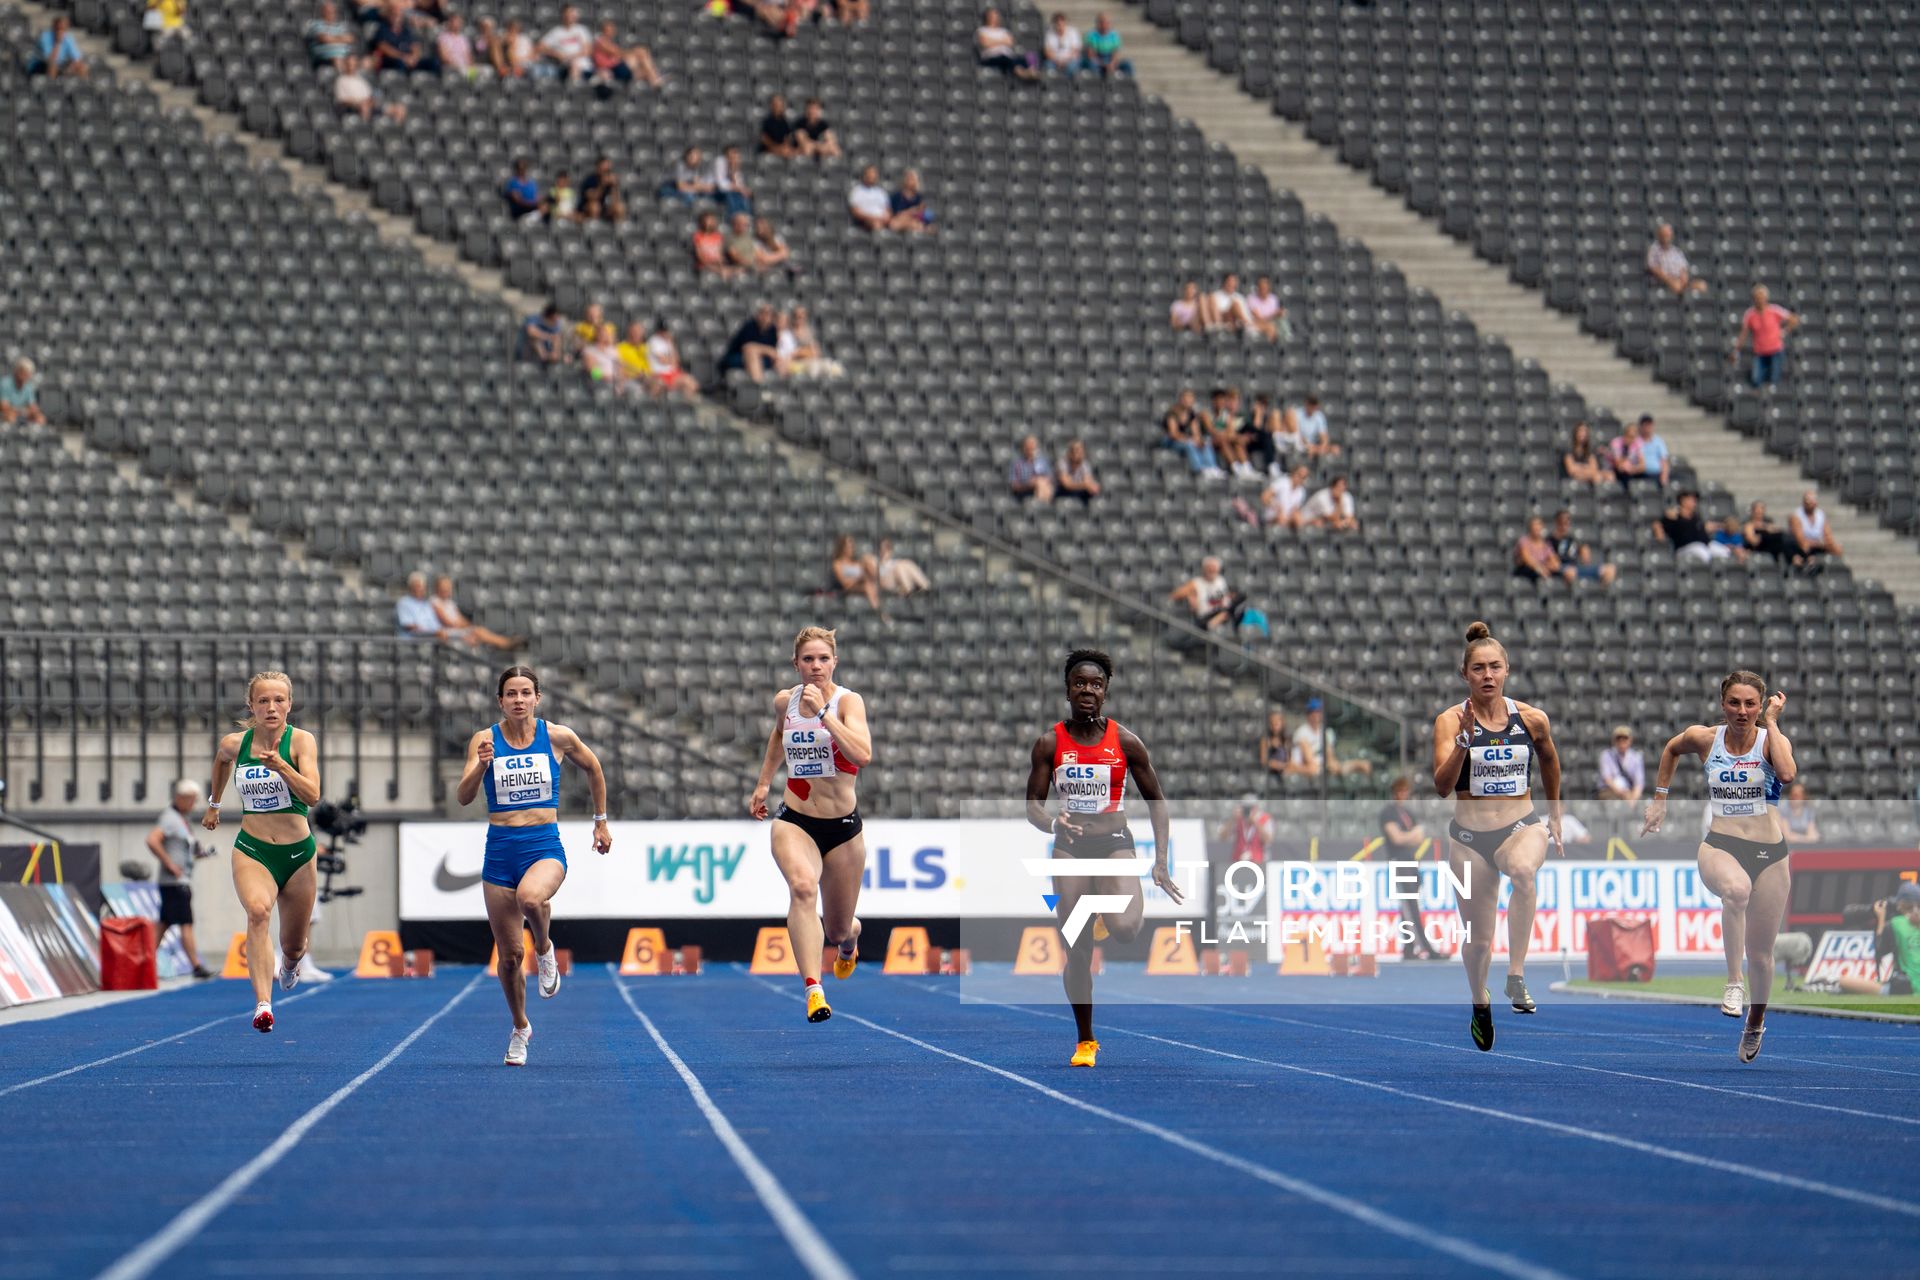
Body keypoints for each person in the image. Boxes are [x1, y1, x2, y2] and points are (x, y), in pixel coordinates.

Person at [1025, 648, 1182, 1066]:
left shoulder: (1126, 742)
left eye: (1096, 684)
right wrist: (1053, 823)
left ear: (1106, 692)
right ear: (1068, 690)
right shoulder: (1049, 743)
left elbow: (1158, 803)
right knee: (1075, 949)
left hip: (1113, 842)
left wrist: (1161, 861)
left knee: (1127, 929)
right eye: (1080, 683)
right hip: (1070, 848)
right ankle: (1086, 1040)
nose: (1088, 690)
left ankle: (1102, 916)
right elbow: (1033, 809)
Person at [456, 666, 612, 1065]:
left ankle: (544, 947)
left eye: (526, 692)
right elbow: (463, 796)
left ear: (537, 698)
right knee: (508, 957)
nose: (519, 700)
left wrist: (600, 821)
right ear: (500, 701)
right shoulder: (484, 740)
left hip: (543, 845)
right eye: (511, 694)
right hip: (500, 851)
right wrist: (481, 766)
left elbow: (594, 767)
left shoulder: (557, 736)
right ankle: (521, 1027)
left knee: (531, 897)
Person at [1643, 672, 1796, 1062]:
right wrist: (1660, 798)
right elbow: (1671, 750)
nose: (1742, 712)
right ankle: (1733, 983)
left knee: (1762, 954)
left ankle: (1756, 1022)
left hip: (1771, 854)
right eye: (1734, 703)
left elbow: (1788, 773)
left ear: (1761, 706)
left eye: (1750, 704)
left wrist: (1773, 723)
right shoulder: (1704, 738)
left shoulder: (1770, 740)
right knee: (1735, 891)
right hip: (1721, 845)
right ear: (1722, 703)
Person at [1431, 622, 1565, 1048]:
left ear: (1507, 670)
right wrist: (1464, 743)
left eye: (1495, 667)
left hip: (1519, 826)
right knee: (1479, 941)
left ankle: (1517, 974)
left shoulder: (1531, 718)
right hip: (1469, 840)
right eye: (1478, 669)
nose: (1487, 675)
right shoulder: (1449, 720)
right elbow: (1441, 784)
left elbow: (1549, 760)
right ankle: (1479, 1000)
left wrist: (1555, 812)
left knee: (1524, 872)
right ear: (1465, 674)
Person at [748, 628, 875, 1024]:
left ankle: (849, 941)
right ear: (796, 663)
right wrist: (764, 782)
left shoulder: (848, 702)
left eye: (823, 659)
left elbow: (863, 753)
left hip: (843, 829)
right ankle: (813, 990)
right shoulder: (784, 701)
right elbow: (778, 735)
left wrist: (823, 713)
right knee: (802, 888)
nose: (816, 666)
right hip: (795, 819)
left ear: (834, 662)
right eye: (808, 659)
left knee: (837, 929)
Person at [203, 672, 323, 1032]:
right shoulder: (234, 743)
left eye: (279, 701)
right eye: (263, 701)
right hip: (253, 849)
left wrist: (282, 767)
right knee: (257, 912)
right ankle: (262, 1004)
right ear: (251, 705)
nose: (271, 708)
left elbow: (313, 796)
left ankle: (288, 966)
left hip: (298, 855)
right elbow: (221, 762)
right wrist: (214, 804)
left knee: (294, 944)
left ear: (289, 703)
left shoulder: (301, 741)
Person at [146, 780, 213, 979]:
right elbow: (152, 839)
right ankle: (195, 965)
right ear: (181, 798)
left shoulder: (182, 819)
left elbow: (183, 848)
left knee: (164, 923)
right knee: (186, 922)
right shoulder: (170, 818)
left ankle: (145, 962)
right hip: (175, 882)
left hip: (177, 881)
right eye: (191, 800)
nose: (193, 805)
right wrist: (169, 864)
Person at [1378, 776, 1440, 959]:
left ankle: (1409, 947)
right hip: (1399, 861)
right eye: (1402, 791)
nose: (1404, 794)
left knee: (1410, 906)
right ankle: (1425, 947)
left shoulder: (1407, 813)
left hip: (1410, 860)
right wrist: (1411, 834)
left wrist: (1409, 836)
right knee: (1410, 906)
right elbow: (1397, 838)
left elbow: (1417, 838)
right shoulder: (1388, 813)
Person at [1834, 885, 1920, 996]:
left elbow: (1880, 950)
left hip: (1906, 987)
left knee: (1844, 981)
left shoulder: (1896, 924)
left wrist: (1881, 919)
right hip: (1907, 984)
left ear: (1900, 905)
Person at [1735, 284, 1800, 389]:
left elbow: (1794, 319)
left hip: (1775, 351)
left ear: (1766, 298)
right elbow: (1743, 334)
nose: (1759, 300)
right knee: (1756, 379)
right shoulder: (1750, 314)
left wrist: (1784, 331)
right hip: (1760, 352)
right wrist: (1736, 351)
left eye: (1761, 297)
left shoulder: (1774, 310)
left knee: (1773, 381)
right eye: (1757, 297)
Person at [432, 575, 519, 650]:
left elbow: (460, 619)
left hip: (457, 630)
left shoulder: (450, 603)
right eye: (444, 587)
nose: (447, 590)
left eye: (448, 587)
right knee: (478, 631)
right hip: (447, 633)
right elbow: (448, 622)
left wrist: (468, 627)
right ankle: (505, 644)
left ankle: (503, 643)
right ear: (438, 588)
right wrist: (466, 628)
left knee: (478, 630)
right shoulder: (435, 602)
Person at [1654, 490, 1741, 564]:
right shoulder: (1674, 516)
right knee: (1703, 553)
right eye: (1692, 499)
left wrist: (1722, 526)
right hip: (1684, 548)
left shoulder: (1695, 516)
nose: (1694, 502)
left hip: (1704, 544)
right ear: (1683, 500)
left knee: (1725, 552)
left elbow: (1705, 526)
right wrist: (1660, 536)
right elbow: (1658, 524)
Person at [1292, 697, 1373, 777]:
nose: (1317, 714)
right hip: (1306, 768)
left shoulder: (1326, 731)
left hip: (1323, 768)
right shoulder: (1302, 732)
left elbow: (1330, 755)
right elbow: (1309, 760)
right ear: (1308, 714)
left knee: (1364, 765)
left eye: (1319, 711)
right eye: (1314, 711)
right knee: (1314, 769)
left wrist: (1332, 765)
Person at [1169, 556, 1243, 631]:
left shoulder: (1221, 580)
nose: (1212, 570)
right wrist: (1189, 596)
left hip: (1223, 612)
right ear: (1204, 569)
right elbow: (1174, 595)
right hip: (1206, 616)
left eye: (1214, 568)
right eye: (1209, 568)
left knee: (1242, 604)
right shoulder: (1196, 583)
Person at [1162, 387, 1223, 478]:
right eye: (1186, 398)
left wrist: (1198, 440)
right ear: (1181, 399)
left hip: (1187, 439)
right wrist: (1189, 439)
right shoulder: (1172, 413)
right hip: (1172, 441)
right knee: (1190, 445)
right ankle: (1199, 469)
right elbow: (1173, 433)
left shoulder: (1191, 414)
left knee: (1205, 443)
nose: (1188, 401)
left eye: (1191, 399)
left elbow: (1196, 431)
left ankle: (1211, 467)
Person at [1549, 509, 1616, 586]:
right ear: (1557, 522)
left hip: (1576, 568)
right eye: (1562, 521)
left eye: (1567, 521)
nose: (1565, 524)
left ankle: (1600, 594)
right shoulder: (1550, 540)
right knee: (1570, 572)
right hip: (1563, 568)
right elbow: (1551, 563)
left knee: (1610, 569)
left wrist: (1584, 551)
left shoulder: (1572, 538)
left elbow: (1585, 558)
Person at [333, 55, 407, 123]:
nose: (351, 67)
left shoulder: (361, 79)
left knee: (400, 108)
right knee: (365, 107)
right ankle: (365, 130)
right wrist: (359, 102)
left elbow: (369, 95)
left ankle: (395, 131)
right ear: (345, 65)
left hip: (369, 105)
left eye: (354, 65)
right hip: (353, 107)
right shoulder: (341, 80)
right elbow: (342, 99)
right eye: (349, 64)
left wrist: (371, 100)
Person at [719, 302, 781, 383]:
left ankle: (782, 389)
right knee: (752, 352)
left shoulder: (772, 330)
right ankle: (759, 386)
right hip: (737, 357)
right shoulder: (749, 326)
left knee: (780, 359)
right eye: (764, 313)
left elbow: (773, 351)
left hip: (762, 359)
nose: (766, 317)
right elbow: (747, 347)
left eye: (770, 314)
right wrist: (767, 350)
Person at [590, 19, 662, 87]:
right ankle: (655, 79)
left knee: (645, 68)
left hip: (617, 67)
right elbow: (616, 52)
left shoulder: (608, 41)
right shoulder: (601, 41)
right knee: (641, 52)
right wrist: (635, 52)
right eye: (610, 30)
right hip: (611, 69)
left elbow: (617, 54)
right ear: (604, 30)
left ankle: (654, 79)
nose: (612, 32)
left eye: (613, 29)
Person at [976, 7, 1040, 80]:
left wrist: (994, 41)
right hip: (991, 57)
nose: (995, 17)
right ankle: (1021, 73)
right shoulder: (982, 30)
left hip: (1008, 55)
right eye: (993, 15)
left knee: (1028, 56)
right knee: (1005, 59)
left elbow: (1010, 42)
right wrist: (1003, 41)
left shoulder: (1004, 31)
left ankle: (1032, 71)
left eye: (996, 15)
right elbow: (985, 43)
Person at [1645, 222, 1707, 297]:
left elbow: (1683, 267)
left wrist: (1683, 277)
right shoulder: (1654, 249)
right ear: (1659, 235)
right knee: (1677, 286)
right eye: (1665, 235)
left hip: (1679, 280)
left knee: (1702, 285)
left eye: (1668, 235)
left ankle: (1686, 290)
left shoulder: (1675, 251)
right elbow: (1653, 268)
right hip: (1663, 281)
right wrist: (1669, 280)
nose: (1667, 238)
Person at [536, 4, 594, 81]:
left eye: (571, 13)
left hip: (584, 66)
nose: (569, 16)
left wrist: (569, 57)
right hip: (564, 67)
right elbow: (539, 47)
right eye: (567, 14)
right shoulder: (556, 32)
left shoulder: (582, 30)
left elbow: (587, 51)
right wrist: (556, 54)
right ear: (562, 15)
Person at [830, 534, 882, 614]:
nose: (852, 548)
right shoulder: (838, 564)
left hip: (860, 585)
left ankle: (877, 608)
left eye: (852, 546)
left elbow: (869, 576)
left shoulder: (857, 562)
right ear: (843, 548)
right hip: (848, 588)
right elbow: (844, 582)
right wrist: (858, 578)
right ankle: (878, 611)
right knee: (867, 586)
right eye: (849, 546)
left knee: (871, 584)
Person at [1790, 490, 1843, 565]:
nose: (1810, 504)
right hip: (1802, 547)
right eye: (1808, 502)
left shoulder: (1820, 514)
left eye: (1812, 501)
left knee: (1837, 549)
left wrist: (1827, 544)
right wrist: (1817, 543)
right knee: (1804, 548)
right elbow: (1800, 539)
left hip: (1819, 545)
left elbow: (1827, 535)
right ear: (1804, 502)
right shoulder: (1796, 516)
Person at [1598, 726, 1644, 807]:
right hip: (1610, 791)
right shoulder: (1607, 755)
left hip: (1630, 791)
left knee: (1643, 803)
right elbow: (1607, 779)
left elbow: (1639, 783)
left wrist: (1634, 798)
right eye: (1619, 738)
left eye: (1625, 738)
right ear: (1614, 741)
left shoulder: (1636, 757)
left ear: (1630, 740)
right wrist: (1624, 794)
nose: (1622, 741)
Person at [1742, 500, 1797, 565]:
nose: (1759, 512)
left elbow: (1774, 530)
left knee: (1784, 538)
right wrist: (1764, 532)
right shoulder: (1748, 523)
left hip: (1771, 545)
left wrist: (1765, 528)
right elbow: (1753, 540)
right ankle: (1793, 558)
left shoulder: (1768, 521)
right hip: (1758, 547)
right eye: (1757, 510)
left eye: (1761, 509)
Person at [305, 0, 356, 67]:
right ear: (322, 12)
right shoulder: (316, 24)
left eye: (333, 12)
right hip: (325, 59)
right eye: (328, 11)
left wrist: (332, 38)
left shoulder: (341, 26)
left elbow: (350, 38)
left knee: (361, 61)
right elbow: (324, 39)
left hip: (345, 57)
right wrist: (341, 39)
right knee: (338, 60)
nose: (331, 14)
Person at [1082, 11, 1133, 77]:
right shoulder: (1091, 35)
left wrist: (1111, 63)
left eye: (1107, 22)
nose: (1105, 24)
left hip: (1110, 59)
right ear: (1098, 23)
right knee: (1092, 64)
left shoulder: (1114, 35)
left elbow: (1115, 53)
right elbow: (1091, 55)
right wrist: (1104, 65)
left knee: (1128, 64)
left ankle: (1126, 83)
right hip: (1098, 61)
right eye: (1102, 22)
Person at [1512, 515, 1561, 583]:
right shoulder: (1524, 541)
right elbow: (1527, 559)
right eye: (1534, 526)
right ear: (1530, 528)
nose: (1537, 528)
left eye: (1539, 525)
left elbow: (1555, 562)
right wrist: (1540, 568)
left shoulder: (1546, 544)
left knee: (1559, 574)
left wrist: (1548, 567)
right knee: (1538, 575)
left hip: (1542, 568)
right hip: (1526, 570)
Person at [1009, 434, 1055, 503]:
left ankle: (1041, 505)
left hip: (1041, 487)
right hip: (1024, 491)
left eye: (1033, 445)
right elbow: (1014, 485)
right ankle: (1044, 506)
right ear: (1024, 447)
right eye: (1029, 445)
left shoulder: (1042, 461)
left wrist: (1038, 480)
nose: (1031, 447)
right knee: (1040, 483)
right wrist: (1028, 484)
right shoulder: (1016, 463)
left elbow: (1050, 478)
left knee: (1042, 483)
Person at [396, 572, 443, 638]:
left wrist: (440, 631)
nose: (420, 589)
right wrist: (434, 633)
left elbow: (435, 625)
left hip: (431, 639)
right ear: (410, 587)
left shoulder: (427, 604)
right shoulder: (404, 603)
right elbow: (410, 626)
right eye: (417, 586)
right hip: (412, 642)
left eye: (422, 586)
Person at [1562, 421, 1610, 486]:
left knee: (1610, 475)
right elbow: (1571, 470)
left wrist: (1579, 466)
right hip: (1571, 477)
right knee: (1597, 477)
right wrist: (1586, 466)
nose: (1583, 434)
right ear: (1575, 433)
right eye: (1580, 431)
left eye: (1585, 431)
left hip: (1586, 475)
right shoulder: (1568, 448)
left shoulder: (1590, 449)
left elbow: (1594, 468)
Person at [580, 156, 626, 224]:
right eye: (604, 169)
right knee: (595, 206)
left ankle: (619, 230)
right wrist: (602, 185)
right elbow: (593, 197)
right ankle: (594, 227)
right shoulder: (590, 180)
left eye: (608, 170)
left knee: (620, 207)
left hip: (605, 208)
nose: (606, 172)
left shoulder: (610, 181)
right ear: (598, 168)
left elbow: (615, 200)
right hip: (589, 208)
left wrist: (614, 186)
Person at [0, 358, 45, 427]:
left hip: (22, 413)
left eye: (28, 373)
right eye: (24, 372)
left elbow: (33, 406)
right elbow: (4, 407)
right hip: (7, 413)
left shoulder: (29, 386)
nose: (27, 376)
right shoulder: (5, 383)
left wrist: (31, 412)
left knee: (40, 418)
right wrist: (21, 411)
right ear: (17, 371)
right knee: (10, 417)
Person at [848, 164, 893, 232]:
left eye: (874, 174)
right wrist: (872, 218)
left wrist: (885, 218)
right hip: (865, 221)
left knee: (895, 224)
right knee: (876, 224)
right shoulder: (857, 191)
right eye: (870, 173)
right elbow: (855, 212)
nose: (872, 176)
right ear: (864, 175)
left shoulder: (881, 192)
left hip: (881, 220)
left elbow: (888, 210)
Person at [1246, 276, 1290, 343]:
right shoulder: (1251, 299)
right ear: (1257, 288)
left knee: (1282, 317)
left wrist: (1279, 313)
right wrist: (1274, 314)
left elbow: (1274, 316)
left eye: (1265, 287)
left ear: (1269, 288)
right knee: (1270, 327)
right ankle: (1269, 350)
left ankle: (1287, 337)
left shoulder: (1273, 299)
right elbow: (1259, 318)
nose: (1263, 289)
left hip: (1271, 321)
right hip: (1255, 323)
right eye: (1261, 287)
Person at [1056, 439, 1099, 505]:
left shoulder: (1085, 465)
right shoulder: (1062, 463)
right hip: (1063, 493)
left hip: (1078, 492)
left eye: (1081, 451)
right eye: (1076, 451)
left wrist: (1091, 485)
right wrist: (1084, 485)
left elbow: (1088, 481)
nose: (1079, 454)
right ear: (1070, 453)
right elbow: (1067, 484)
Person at [714, 145, 753, 219]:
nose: (734, 158)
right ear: (726, 155)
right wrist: (740, 189)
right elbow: (721, 185)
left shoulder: (735, 166)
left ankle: (746, 218)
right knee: (732, 194)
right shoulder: (720, 161)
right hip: (713, 190)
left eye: (736, 156)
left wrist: (734, 170)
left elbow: (738, 185)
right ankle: (734, 218)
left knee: (743, 196)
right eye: (731, 155)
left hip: (727, 192)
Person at [502, 158, 544, 223]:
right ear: (516, 169)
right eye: (520, 168)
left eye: (524, 168)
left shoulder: (531, 183)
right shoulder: (512, 183)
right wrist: (533, 203)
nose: (522, 171)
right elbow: (518, 200)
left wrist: (538, 202)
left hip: (533, 210)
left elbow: (537, 197)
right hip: (520, 213)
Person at [759, 93, 800, 157]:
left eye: (780, 105)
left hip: (782, 148)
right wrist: (775, 147)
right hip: (769, 148)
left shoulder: (785, 121)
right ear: (772, 105)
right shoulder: (766, 121)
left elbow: (788, 137)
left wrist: (785, 146)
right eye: (776, 105)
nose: (778, 107)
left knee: (795, 152)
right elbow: (764, 139)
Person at [1778, 781, 1820, 846]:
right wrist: (1806, 839)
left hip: (1806, 847)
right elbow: (1787, 836)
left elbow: (1813, 836)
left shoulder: (1809, 810)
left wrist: (1797, 837)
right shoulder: (1784, 809)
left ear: (1804, 796)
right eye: (1793, 794)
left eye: (1798, 795)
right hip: (1788, 847)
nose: (1795, 798)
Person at [1042, 12, 1083, 76]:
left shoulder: (1073, 32)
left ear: (1065, 22)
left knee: (1071, 67)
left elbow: (1075, 51)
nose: (1060, 25)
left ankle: (1067, 84)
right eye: (1057, 23)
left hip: (1070, 60)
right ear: (1054, 24)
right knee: (1048, 66)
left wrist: (1065, 61)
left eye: (1061, 23)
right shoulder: (1049, 34)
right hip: (1055, 61)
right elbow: (1047, 52)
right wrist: (1057, 61)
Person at [1258, 709, 1295, 778]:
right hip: (1270, 775)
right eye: (1272, 723)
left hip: (1284, 773)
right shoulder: (1265, 739)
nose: (1274, 727)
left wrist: (1287, 766)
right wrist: (1281, 765)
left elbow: (1289, 759)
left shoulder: (1286, 739)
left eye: (1277, 724)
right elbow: (1263, 761)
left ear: (1282, 723)